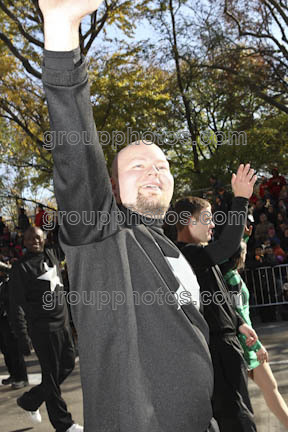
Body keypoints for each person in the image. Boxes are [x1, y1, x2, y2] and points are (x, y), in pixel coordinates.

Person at [39, 1, 218, 431]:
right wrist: (62, 29)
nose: (154, 171)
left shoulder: (172, 249)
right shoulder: (103, 235)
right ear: (112, 188)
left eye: (162, 166)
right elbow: (76, 151)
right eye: (137, 166)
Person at [174, 167, 258, 432]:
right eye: (207, 219)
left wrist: (237, 322)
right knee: (237, 419)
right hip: (216, 349)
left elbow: (217, 296)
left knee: (238, 413)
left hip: (227, 342)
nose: (212, 224)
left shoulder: (200, 255)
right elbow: (228, 246)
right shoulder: (186, 255)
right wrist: (241, 198)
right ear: (188, 222)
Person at [9, 226, 80, 432]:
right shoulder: (20, 269)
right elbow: (16, 306)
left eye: (38, 237)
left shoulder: (52, 254)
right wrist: (22, 337)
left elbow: (70, 239)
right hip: (43, 331)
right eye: (29, 238)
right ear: (24, 242)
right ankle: (64, 425)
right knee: (50, 377)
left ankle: (31, 400)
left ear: (45, 238)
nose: (35, 241)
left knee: (67, 365)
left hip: (63, 325)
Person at [223, 239, 288, 430]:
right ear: (240, 256)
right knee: (267, 391)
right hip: (246, 344)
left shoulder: (228, 275)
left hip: (245, 342)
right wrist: (256, 344)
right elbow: (239, 315)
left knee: (269, 389)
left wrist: (242, 238)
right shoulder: (232, 279)